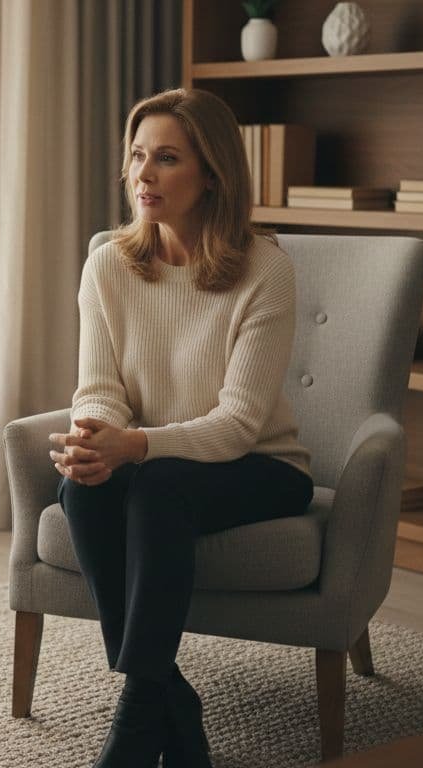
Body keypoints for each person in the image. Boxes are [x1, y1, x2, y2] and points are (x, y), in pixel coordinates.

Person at [48, 88, 313, 768]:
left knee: (156, 483)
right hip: (161, 465)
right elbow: (99, 389)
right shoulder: (110, 262)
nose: (143, 174)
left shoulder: (265, 271)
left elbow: (237, 424)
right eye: (138, 156)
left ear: (213, 174)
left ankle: (140, 715)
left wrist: (133, 445)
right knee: (83, 490)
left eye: (166, 158)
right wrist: (96, 440)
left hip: (261, 466)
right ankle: (166, 695)